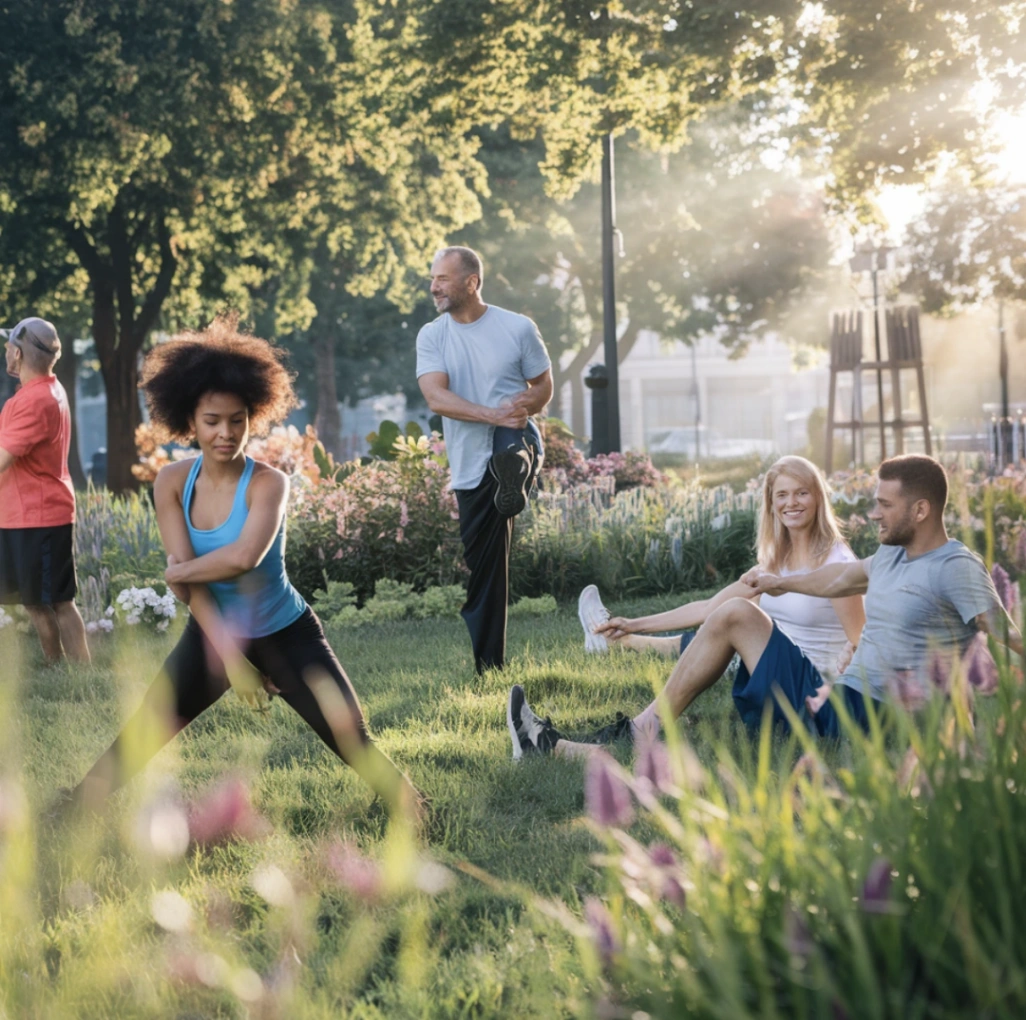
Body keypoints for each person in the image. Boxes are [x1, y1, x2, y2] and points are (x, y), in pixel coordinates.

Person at [66, 318, 418, 818]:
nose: (226, 433)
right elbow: (196, 591)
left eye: (237, 420)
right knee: (144, 730)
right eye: (212, 420)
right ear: (190, 420)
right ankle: (72, 813)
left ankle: (413, 808)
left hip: (286, 632)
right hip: (212, 630)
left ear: (254, 415)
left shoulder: (268, 484)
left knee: (350, 736)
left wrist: (177, 572)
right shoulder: (170, 482)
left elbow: (241, 558)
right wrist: (234, 663)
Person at [508, 455, 866, 759]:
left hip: (822, 704)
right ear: (771, 503)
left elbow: (865, 644)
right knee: (730, 612)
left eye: (802, 493)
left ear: (818, 497)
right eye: (782, 495)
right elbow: (708, 608)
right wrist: (633, 624)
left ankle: (636, 733)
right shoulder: (775, 562)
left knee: (738, 613)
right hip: (787, 688)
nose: (792, 503)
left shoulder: (836, 562)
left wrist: (854, 659)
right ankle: (619, 734)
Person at [417, 246, 552, 674]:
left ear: (471, 282)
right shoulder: (433, 335)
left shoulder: (516, 327)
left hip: (515, 434)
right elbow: (436, 397)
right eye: (433, 278)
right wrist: (491, 412)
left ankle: (515, 469)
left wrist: (519, 405)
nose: (434, 286)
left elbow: (543, 385)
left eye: (442, 278)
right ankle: (488, 661)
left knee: (509, 442)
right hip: (469, 463)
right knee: (485, 565)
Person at [0, 317, 90, 664]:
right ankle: (60, 667)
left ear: (19, 355)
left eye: (9, 344)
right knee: (38, 600)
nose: (5, 349)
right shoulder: (47, 389)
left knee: (56, 601)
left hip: (37, 516)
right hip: (29, 514)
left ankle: (73, 670)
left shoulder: (33, 401)